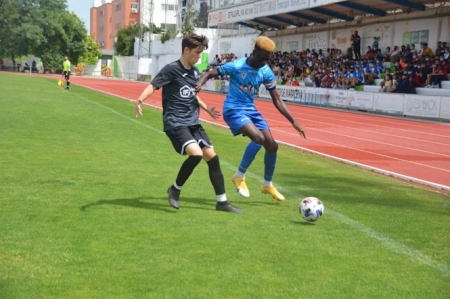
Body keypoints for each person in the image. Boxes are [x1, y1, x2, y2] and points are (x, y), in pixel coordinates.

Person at [135, 33, 241, 213]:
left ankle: (222, 202)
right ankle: (175, 189)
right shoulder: (171, 69)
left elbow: (193, 95)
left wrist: (207, 108)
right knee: (196, 154)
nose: (199, 56)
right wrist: (139, 100)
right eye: (197, 52)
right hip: (175, 122)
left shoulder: (194, 72)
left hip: (193, 122)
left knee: (213, 159)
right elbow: (153, 85)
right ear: (186, 50)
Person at [196, 36, 306, 201]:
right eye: (262, 58)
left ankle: (267, 184)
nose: (264, 62)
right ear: (254, 51)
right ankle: (239, 176)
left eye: (267, 60)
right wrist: (199, 83)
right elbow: (211, 72)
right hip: (233, 110)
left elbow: (276, 99)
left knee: (272, 145)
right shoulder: (237, 65)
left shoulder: (265, 71)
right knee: (258, 139)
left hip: (251, 110)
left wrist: (293, 121)